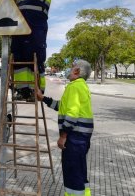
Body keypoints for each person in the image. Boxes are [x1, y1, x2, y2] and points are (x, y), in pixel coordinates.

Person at [36, 59, 93, 196]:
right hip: (81, 137)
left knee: (72, 172)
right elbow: (62, 106)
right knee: (79, 170)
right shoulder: (81, 85)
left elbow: (72, 114)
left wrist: (63, 136)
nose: (69, 69)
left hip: (75, 137)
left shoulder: (74, 87)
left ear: (77, 71)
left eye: (72, 67)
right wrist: (43, 98)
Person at [10, 0, 52, 100]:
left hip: (36, 30)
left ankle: (37, 90)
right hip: (20, 31)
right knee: (19, 59)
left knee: (36, 58)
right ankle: (23, 90)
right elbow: (17, 9)